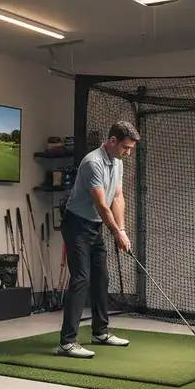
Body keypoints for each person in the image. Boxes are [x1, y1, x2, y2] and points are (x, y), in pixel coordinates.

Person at [58, 121, 140, 358]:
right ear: (112, 141)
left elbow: (117, 198)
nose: (128, 152)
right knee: (81, 279)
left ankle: (100, 331)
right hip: (76, 225)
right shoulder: (92, 163)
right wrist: (115, 232)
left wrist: (122, 230)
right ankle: (67, 341)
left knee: (101, 277)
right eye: (126, 147)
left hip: (94, 226)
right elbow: (101, 205)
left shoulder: (118, 162)